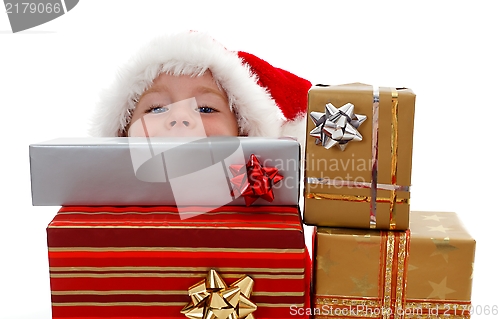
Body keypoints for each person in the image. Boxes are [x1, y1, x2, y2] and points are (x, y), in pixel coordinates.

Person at [90, 31, 312, 147]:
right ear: (122, 134)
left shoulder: (264, 208)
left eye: (205, 109)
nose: (179, 117)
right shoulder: (93, 210)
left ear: (244, 134)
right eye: (156, 109)